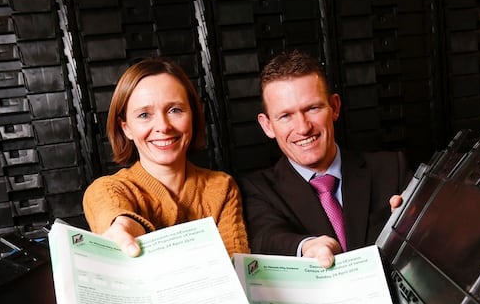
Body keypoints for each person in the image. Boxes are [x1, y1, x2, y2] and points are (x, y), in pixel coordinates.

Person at [238, 49, 411, 267]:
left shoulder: (390, 169)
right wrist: (307, 246)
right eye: (285, 116)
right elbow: (268, 236)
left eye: (312, 108)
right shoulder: (256, 190)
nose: (303, 128)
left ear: (334, 107)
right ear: (267, 125)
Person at [82, 57, 249, 257]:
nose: (163, 126)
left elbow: (235, 269)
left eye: (175, 110)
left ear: (193, 117)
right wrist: (126, 226)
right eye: (144, 115)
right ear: (126, 128)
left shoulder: (222, 187)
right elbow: (110, 211)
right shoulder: (108, 189)